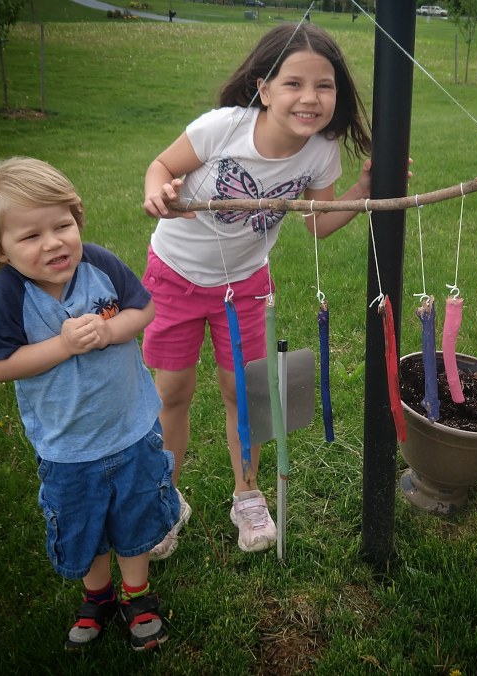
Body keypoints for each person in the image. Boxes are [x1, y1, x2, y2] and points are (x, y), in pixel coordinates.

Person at [143, 23, 372, 557]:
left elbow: (317, 223)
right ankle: (164, 498)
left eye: (324, 85)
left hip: (245, 284)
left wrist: (362, 189)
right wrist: (159, 191)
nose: (310, 98)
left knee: (244, 391)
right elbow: (162, 166)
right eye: (294, 83)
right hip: (175, 275)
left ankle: (247, 495)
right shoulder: (222, 128)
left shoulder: (321, 150)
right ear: (264, 90)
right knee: (172, 391)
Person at [0, 157, 180, 650]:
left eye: (62, 225)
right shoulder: (8, 294)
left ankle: (137, 594)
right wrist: (62, 346)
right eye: (31, 236)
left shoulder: (99, 265)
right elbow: (2, 363)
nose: (53, 243)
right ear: (1, 250)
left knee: (136, 518)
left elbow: (144, 309)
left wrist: (109, 331)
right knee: (85, 528)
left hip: (132, 430)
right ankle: (97, 596)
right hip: (68, 448)